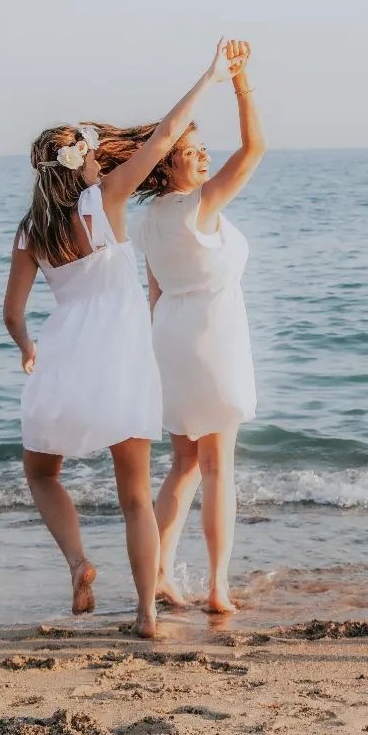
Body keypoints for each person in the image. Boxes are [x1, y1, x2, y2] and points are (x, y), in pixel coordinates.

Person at [1, 40, 242, 637]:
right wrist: (212, 77)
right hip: (123, 356)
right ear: (81, 164)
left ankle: (80, 562)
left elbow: (12, 313)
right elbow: (164, 137)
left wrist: (29, 349)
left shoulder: (32, 231)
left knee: (42, 472)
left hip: (63, 354)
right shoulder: (105, 201)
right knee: (135, 495)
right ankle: (146, 614)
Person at [128, 40, 264, 615]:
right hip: (213, 335)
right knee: (217, 467)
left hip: (170, 336)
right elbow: (256, 148)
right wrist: (240, 82)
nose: (205, 158)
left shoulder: (147, 218)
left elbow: (154, 291)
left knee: (183, 463)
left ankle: (158, 573)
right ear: (168, 164)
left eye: (206, 150)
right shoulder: (199, 206)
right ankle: (216, 586)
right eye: (193, 151)